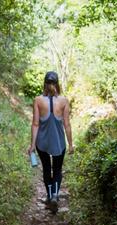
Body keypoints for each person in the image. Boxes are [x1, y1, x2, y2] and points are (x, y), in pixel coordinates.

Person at [27, 71, 74, 214]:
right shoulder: (64, 101)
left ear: (45, 84)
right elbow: (67, 125)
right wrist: (71, 144)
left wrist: (32, 144)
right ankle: (55, 195)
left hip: (42, 143)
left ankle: (48, 196)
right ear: (57, 83)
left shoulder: (38, 100)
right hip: (59, 143)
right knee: (57, 169)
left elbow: (35, 124)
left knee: (47, 169)